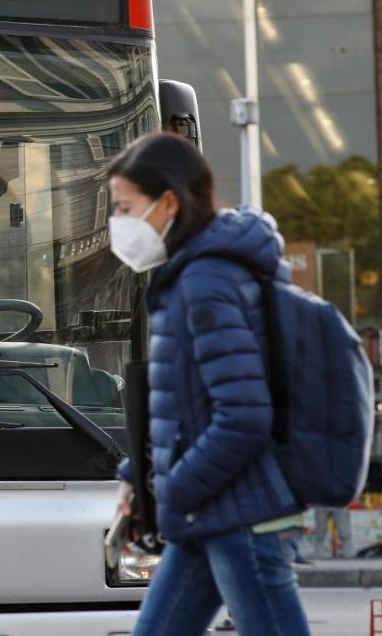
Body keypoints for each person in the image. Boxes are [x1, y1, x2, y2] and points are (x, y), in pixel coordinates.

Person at [108, 133, 309, 636]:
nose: (118, 223)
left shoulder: (207, 282)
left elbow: (244, 416)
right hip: (210, 511)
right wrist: (140, 473)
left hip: (244, 520)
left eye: (125, 207)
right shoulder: (190, 276)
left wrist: (173, 489)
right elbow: (189, 401)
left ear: (168, 202)